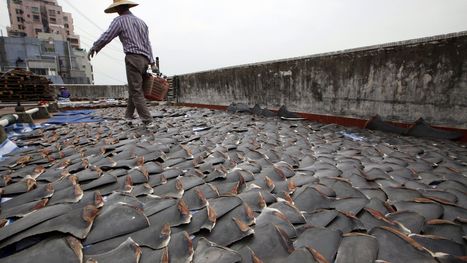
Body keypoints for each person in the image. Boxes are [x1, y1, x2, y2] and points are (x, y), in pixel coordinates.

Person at [87, 0, 158, 127]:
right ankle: (128, 116)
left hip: (133, 58)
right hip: (145, 60)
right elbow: (148, 43)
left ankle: (148, 120)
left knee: (136, 91)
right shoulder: (142, 22)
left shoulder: (119, 21)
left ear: (118, 8)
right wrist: (152, 63)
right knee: (134, 88)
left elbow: (107, 35)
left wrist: (95, 47)